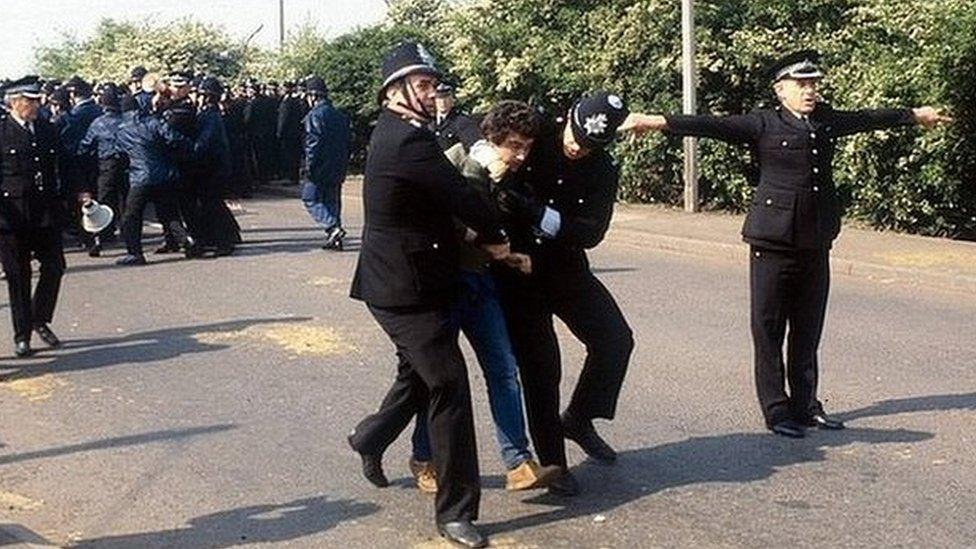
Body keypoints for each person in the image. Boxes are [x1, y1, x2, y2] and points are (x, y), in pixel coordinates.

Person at [621, 50, 952, 438]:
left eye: (814, 83)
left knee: (808, 328)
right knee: (768, 328)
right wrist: (654, 121)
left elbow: (866, 118)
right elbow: (710, 124)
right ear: (781, 90)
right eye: (802, 84)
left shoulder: (825, 120)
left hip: (815, 239)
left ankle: (806, 404)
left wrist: (914, 115)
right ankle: (777, 409)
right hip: (772, 240)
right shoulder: (762, 123)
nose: (810, 90)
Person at [346, 42, 512, 549]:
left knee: (416, 378)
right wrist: (496, 230)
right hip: (403, 288)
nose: (431, 91)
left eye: (432, 83)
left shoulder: (408, 134)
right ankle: (456, 512)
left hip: (419, 278)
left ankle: (369, 438)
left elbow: (436, 199)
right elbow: (459, 195)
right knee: (449, 384)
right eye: (421, 84)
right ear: (395, 93)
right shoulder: (406, 141)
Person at [408, 100, 562, 495]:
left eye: (527, 146)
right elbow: (447, 222)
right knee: (439, 381)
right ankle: (423, 458)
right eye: (514, 145)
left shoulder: (504, 174)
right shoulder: (456, 163)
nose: (521, 156)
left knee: (503, 369)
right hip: (444, 284)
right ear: (492, 138)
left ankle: (518, 463)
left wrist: (505, 252)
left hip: (479, 283)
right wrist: (503, 249)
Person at [492, 91, 636, 496]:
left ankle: (579, 417)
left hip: (566, 267)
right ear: (567, 117)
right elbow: (482, 127)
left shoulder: (602, 169)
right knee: (542, 369)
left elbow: (591, 232)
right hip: (518, 272)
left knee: (615, 340)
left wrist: (538, 213)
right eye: (575, 135)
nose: (577, 147)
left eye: (590, 145)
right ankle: (554, 462)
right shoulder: (535, 132)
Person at [0, 77, 67, 357]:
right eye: (32, 101)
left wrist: (82, 191)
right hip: (11, 217)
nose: (38, 105)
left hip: (45, 213)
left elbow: (65, 162)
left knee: (55, 266)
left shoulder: (46, 129)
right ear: (15, 102)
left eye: (38, 100)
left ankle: (39, 318)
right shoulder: (2, 132)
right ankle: (22, 334)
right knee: (19, 276)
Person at [115, 85, 198, 266]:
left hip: (140, 177)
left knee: (132, 216)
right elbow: (174, 138)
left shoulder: (121, 130)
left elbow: (119, 154)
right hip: (163, 175)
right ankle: (187, 241)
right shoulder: (153, 123)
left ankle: (135, 253)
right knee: (169, 213)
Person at [188, 76, 240, 256]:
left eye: (200, 94)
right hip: (216, 165)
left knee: (212, 203)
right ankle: (228, 235)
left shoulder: (209, 115)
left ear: (207, 96)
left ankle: (224, 242)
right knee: (213, 202)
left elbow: (204, 143)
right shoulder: (211, 113)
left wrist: (190, 149)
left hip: (213, 166)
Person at [300, 76, 350, 250]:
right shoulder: (340, 115)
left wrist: (308, 167)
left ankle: (332, 227)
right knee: (332, 201)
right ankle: (335, 239)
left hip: (319, 166)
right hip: (338, 165)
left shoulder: (314, 116)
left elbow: (312, 144)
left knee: (309, 198)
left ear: (313, 96)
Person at [78, 83, 127, 255]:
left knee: (103, 199)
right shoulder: (126, 120)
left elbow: (85, 146)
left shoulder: (98, 123)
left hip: (106, 164)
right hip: (127, 164)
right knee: (126, 201)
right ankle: (129, 235)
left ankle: (100, 237)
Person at [432, 83, 480, 151]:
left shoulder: (462, 122)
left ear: (452, 100)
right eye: (439, 99)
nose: (443, 102)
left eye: (446, 98)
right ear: (434, 101)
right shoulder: (429, 124)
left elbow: (476, 146)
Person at [276, 81, 304, 186]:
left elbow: (283, 119)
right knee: (294, 156)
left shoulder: (287, 102)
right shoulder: (295, 101)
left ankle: (291, 177)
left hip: (288, 134)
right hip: (295, 133)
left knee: (290, 156)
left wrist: (279, 133)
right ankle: (293, 176)